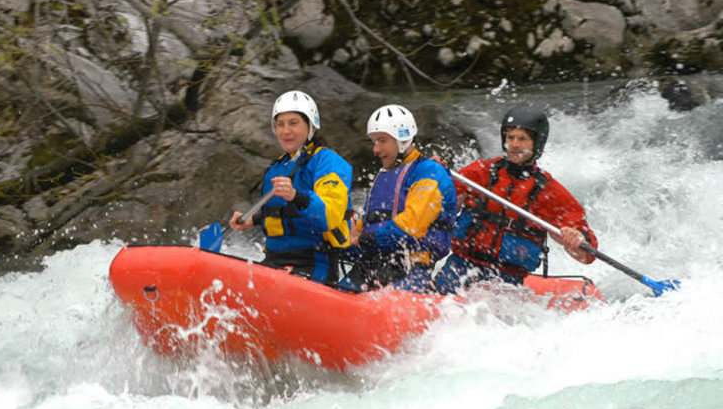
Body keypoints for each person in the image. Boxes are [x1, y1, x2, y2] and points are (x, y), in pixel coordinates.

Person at [435, 104, 597, 293]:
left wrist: (576, 238)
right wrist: (434, 177)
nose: (514, 144)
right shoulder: (480, 172)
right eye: (510, 138)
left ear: (537, 143)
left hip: (508, 279)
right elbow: (437, 204)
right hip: (461, 266)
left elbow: (587, 253)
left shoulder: (548, 191)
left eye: (522, 139)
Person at [228, 90, 352, 284]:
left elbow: (330, 215)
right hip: (275, 260)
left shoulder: (328, 161)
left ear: (311, 126)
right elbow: (283, 212)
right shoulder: (279, 166)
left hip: (313, 261)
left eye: (293, 123)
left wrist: (295, 195)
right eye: (280, 124)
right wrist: (253, 219)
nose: (285, 131)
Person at [340, 105, 458, 293]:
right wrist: (342, 240)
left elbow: (413, 225)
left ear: (403, 139)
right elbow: (362, 231)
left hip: (411, 268)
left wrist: (366, 239)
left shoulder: (429, 172)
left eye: (382, 141)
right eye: (374, 141)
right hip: (371, 264)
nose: (375, 149)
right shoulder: (383, 177)